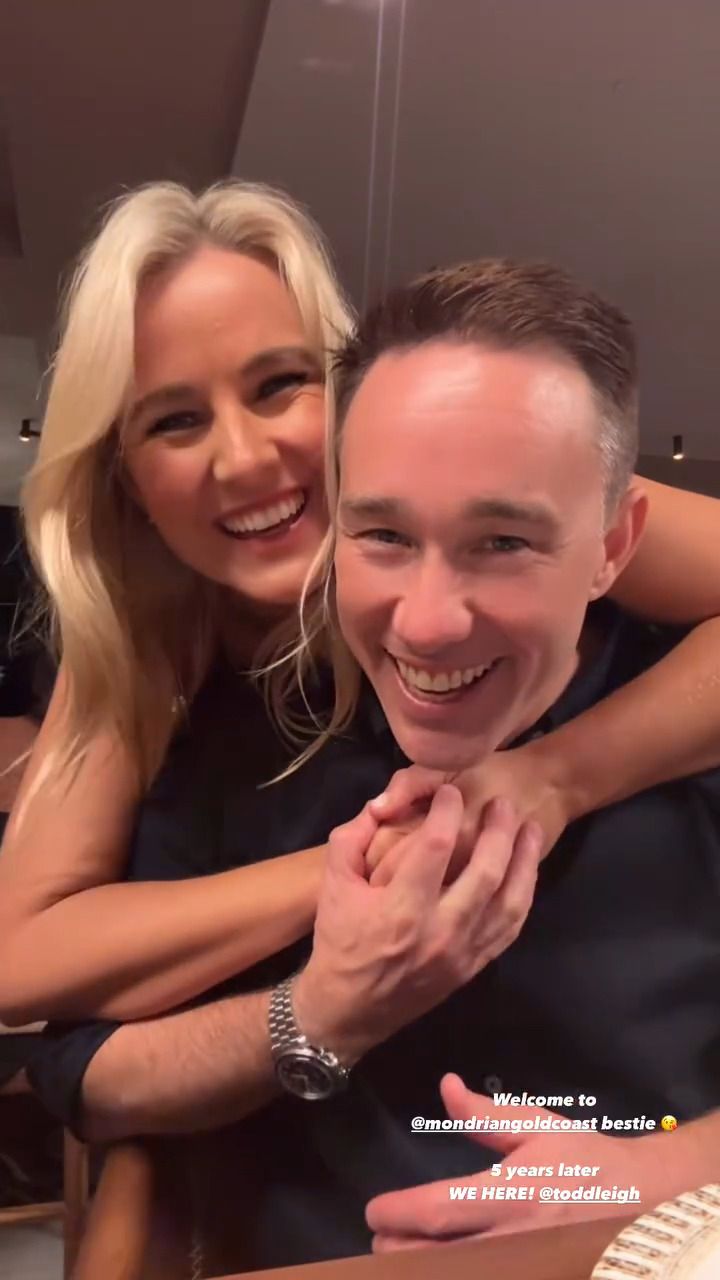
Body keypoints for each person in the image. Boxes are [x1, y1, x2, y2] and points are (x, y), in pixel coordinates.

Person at [26, 248, 720, 1273]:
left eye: (503, 541)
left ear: (613, 545)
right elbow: (81, 1069)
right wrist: (324, 1008)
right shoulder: (217, 738)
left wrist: (647, 1178)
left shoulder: (675, 703)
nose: (430, 622)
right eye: (384, 533)